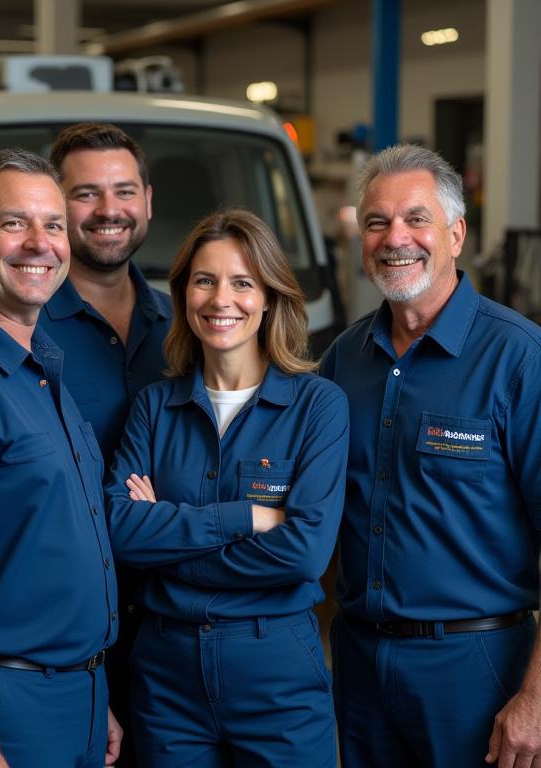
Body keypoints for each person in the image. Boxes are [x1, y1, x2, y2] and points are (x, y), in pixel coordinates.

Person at [0, 150, 261, 768]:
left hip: (72, 694)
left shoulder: (39, 364)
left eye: (53, 226)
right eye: (14, 224)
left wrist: (89, 693)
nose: (40, 244)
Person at [320, 143, 541, 768]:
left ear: (456, 233)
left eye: (416, 219)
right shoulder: (342, 361)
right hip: (360, 665)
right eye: (376, 222)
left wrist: (538, 700)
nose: (396, 238)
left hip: (478, 670)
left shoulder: (519, 359)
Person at [107, 208, 349, 767]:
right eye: (204, 280)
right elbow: (119, 532)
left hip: (277, 675)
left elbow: (306, 553)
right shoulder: (153, 408)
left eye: (243, 282)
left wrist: (165, 536)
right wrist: (249, 518)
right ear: (183, 294)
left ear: (269, 297)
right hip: (167, 678)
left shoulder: (318, 407)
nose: (222, 299)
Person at [40, 122, 172, 765]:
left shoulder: (191, 327)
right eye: (85, 194)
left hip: (172, 624)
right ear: (54, 206)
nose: (108, 210)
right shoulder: (24, 330)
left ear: (148, 200)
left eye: (123, 190)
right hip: (60, 637)